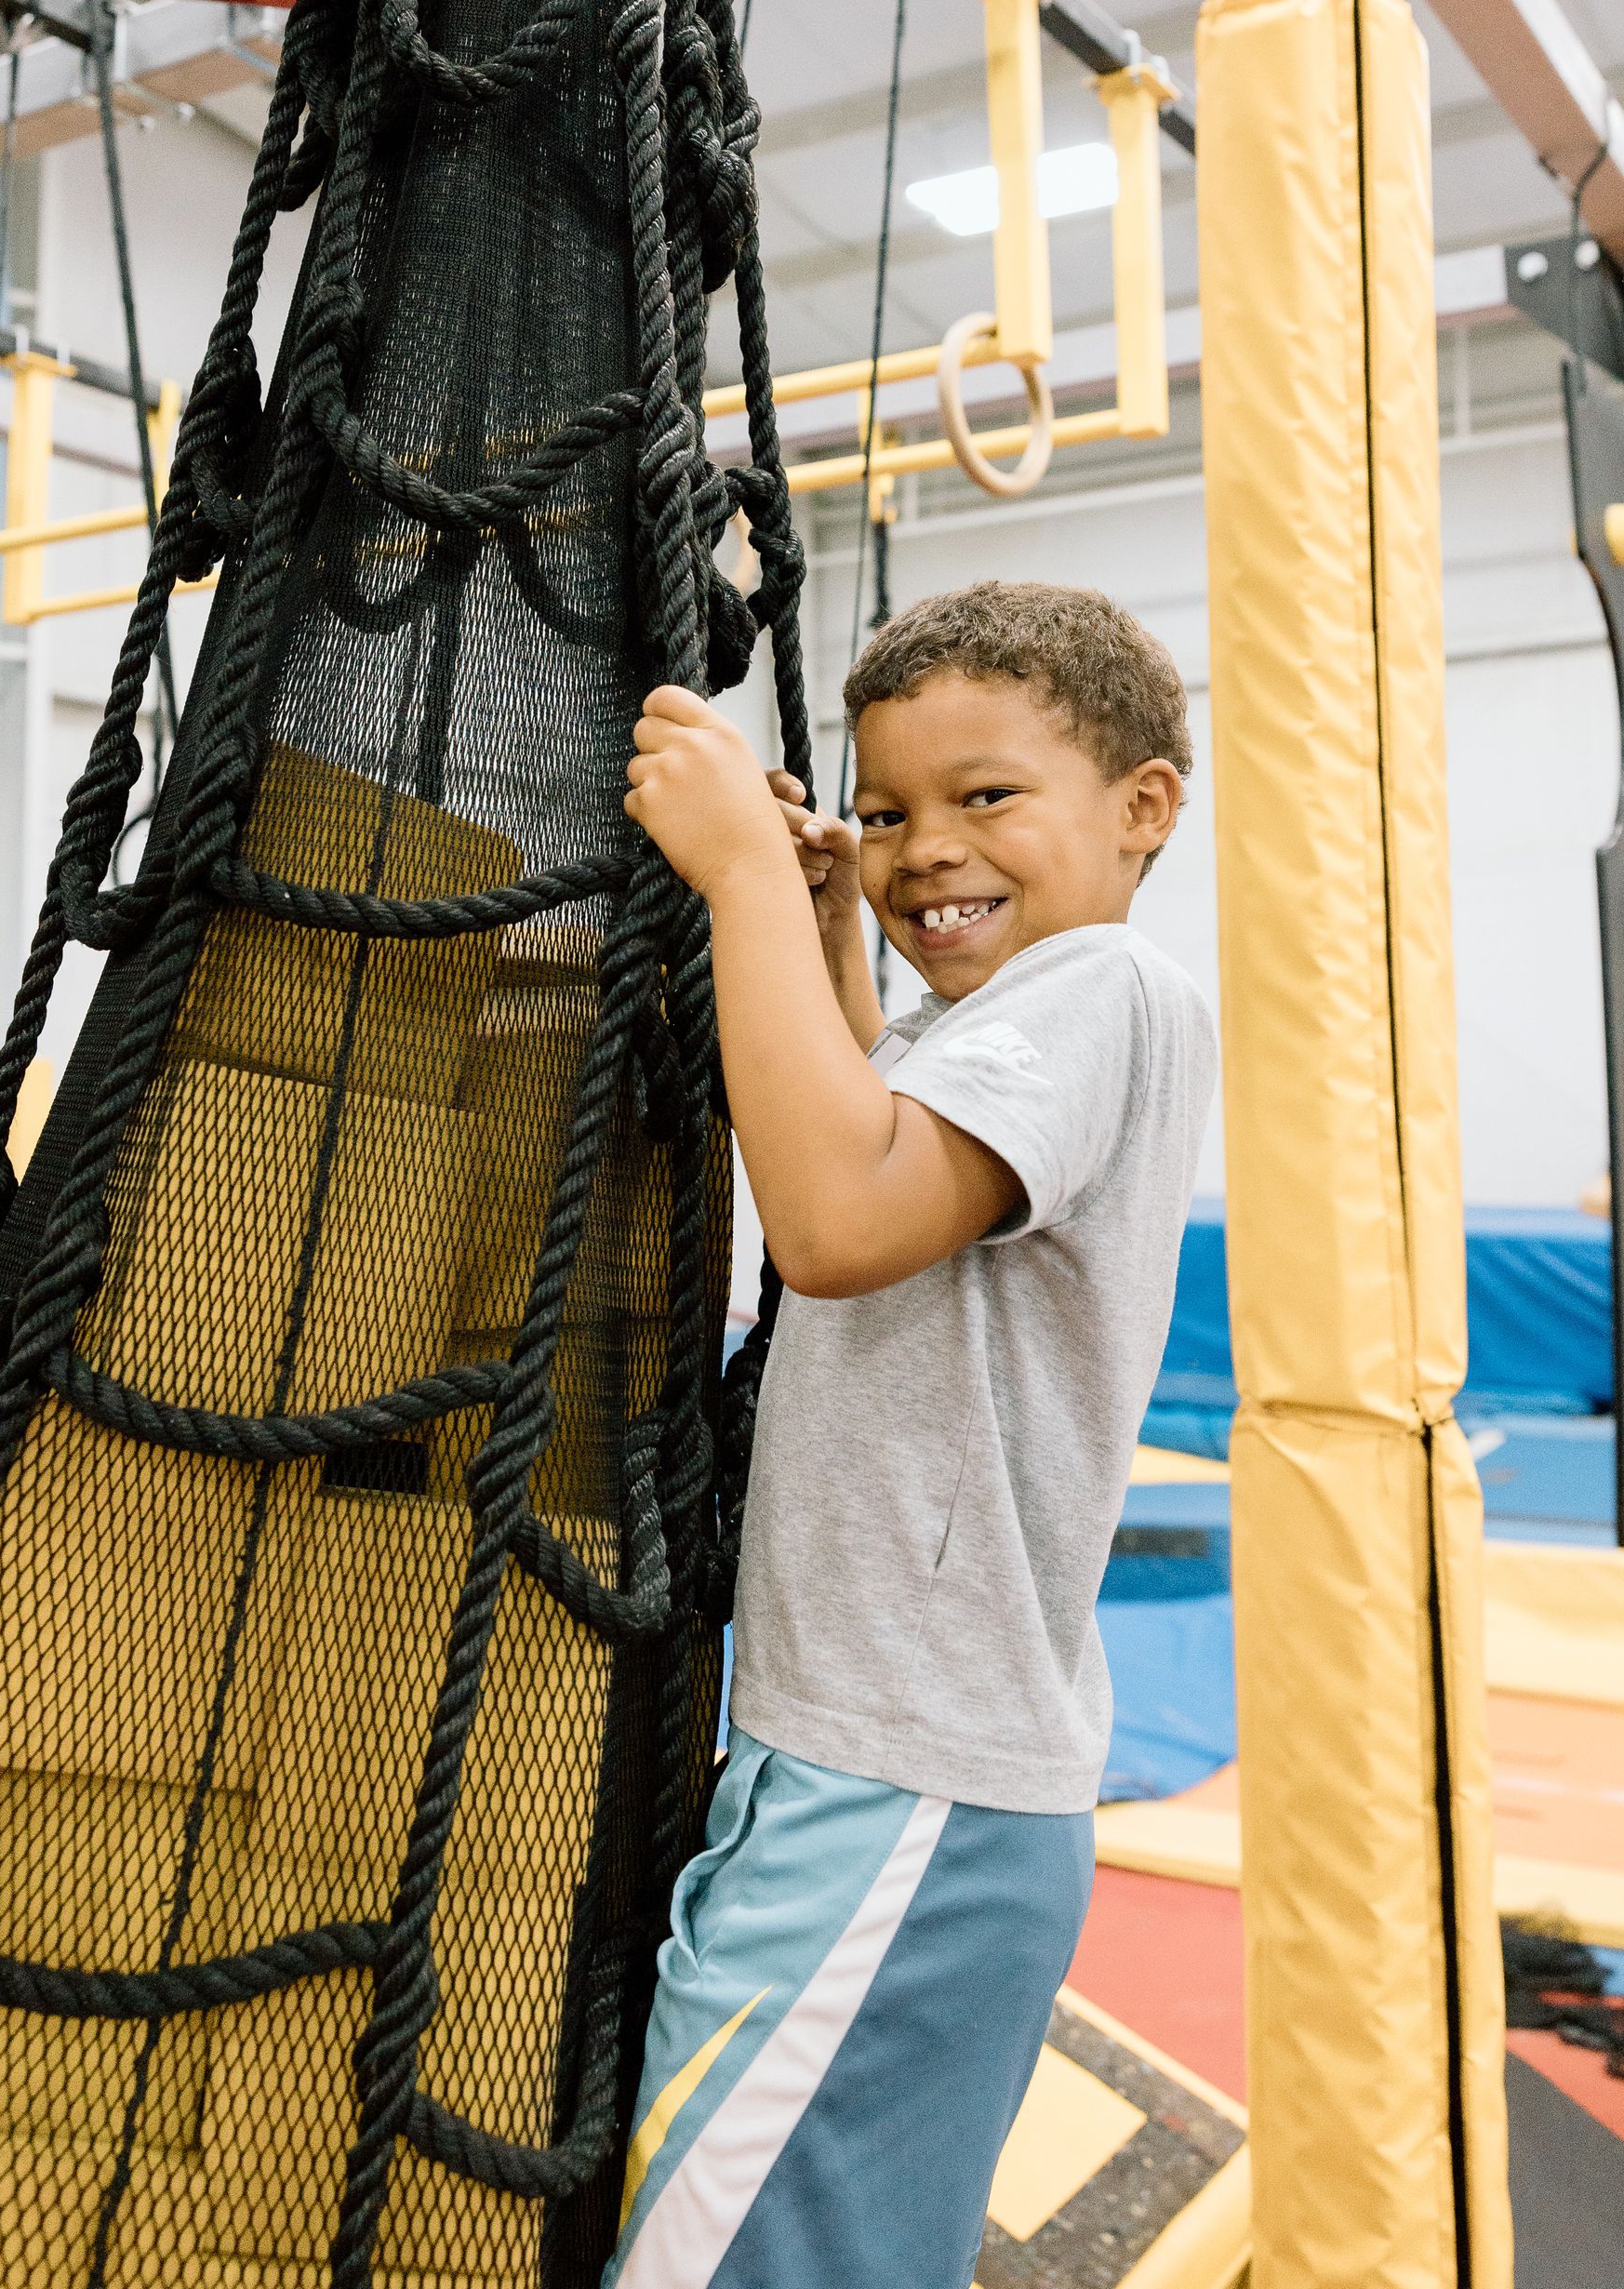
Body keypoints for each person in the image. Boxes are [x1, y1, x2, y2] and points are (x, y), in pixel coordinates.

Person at [604, 579, 1217, 2289]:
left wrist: (735, 872)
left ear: (1144, 807)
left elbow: (841, 1218)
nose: (921, 846)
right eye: (882, 814)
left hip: (906, 1793)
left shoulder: (1107, 992)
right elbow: (874, 1101)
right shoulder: (1008, 1016)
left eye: (984, 798)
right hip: (873, 1769)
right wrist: (812, 929)